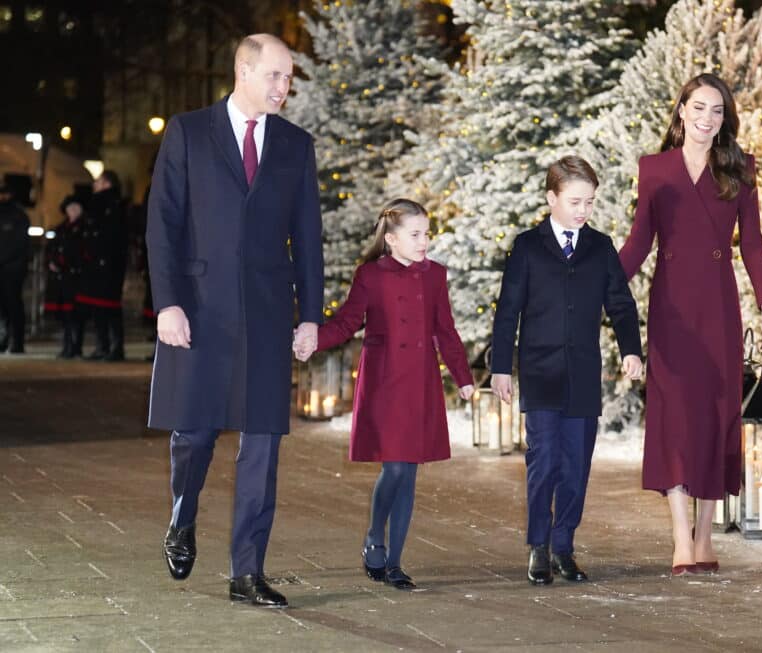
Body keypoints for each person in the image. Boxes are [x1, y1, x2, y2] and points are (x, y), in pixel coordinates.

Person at [146, 33, 323, 608]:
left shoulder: (296, 145)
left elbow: (309, 240)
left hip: (269, 315)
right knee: (194, 435)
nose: (284, 87)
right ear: (244, 72)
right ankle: (182, 514)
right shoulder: (189, 132)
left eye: (289, 77)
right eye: (275, 76)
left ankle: (247, 572)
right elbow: (163, 223)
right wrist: (167, 302)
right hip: (198, 311)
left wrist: (311, 316)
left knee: (263, 444)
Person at [618, 73, 762, 576]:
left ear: (724, 118)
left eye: (717, 110)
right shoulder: (654, 169)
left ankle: (706, 533)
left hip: (718, 305)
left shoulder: (740, 167)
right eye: (698, 108)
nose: (707, 118)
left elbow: (752, 243)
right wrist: (600, 288)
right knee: (673, 414)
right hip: (670, 306)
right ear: (681, 111)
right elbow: (637, 243)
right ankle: (678, 536)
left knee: (716, 413)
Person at [293, 199, 475, 591]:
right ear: (391, 239)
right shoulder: (370, 276)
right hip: (384, 384)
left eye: (427, 233)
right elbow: (345, 323)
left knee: (408, 471)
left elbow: (446, 330)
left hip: (420, 383)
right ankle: (375, 535)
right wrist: (313, 340)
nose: (424, 241)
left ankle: (394, 562)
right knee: (394, 468)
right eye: (416, 234)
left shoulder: (435, 276)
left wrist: (463, 377)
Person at [490, 156, 643, 586]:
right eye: (575, 201)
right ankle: (538, 545)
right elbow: (507, 313)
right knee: (544, 462)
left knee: (576, 464)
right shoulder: (526, 247)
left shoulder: (600, 247)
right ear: (551, 198)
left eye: (590, 203)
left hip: (582, 375)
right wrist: (502, 367)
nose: (582, 211)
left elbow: (621, 305)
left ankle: (564, 546)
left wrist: (631, 349)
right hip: (539, 373)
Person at [76, 170, 128, 361]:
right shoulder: (97, 204)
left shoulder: (114, 205)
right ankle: (102, 346)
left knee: (110, 307)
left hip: (108, 264)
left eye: (98, 181)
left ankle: (116, 347)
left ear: (107, 183)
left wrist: (102, 256)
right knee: (97, 307)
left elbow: (113, 236)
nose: (94, 185)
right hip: (96, 263)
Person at [44, 195, 86, 358]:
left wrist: (65, 262)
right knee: (65, 316)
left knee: (75, 315)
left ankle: (75, 346)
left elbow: (79, 252)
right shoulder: (61, 229)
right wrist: (52, 262)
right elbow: (52, 248)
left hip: (75, 277)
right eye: (70, 208)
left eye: (76, 208)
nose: (73, 211)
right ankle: (67, 346)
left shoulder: (83, 228)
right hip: (61, 277)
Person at [0, 183, 31, 354]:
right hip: (6, 267)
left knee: (13, 306)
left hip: (12, 269)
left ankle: (17, 341)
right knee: (3, 308)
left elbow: (19, 244)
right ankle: (4, 339)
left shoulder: (18, 216)